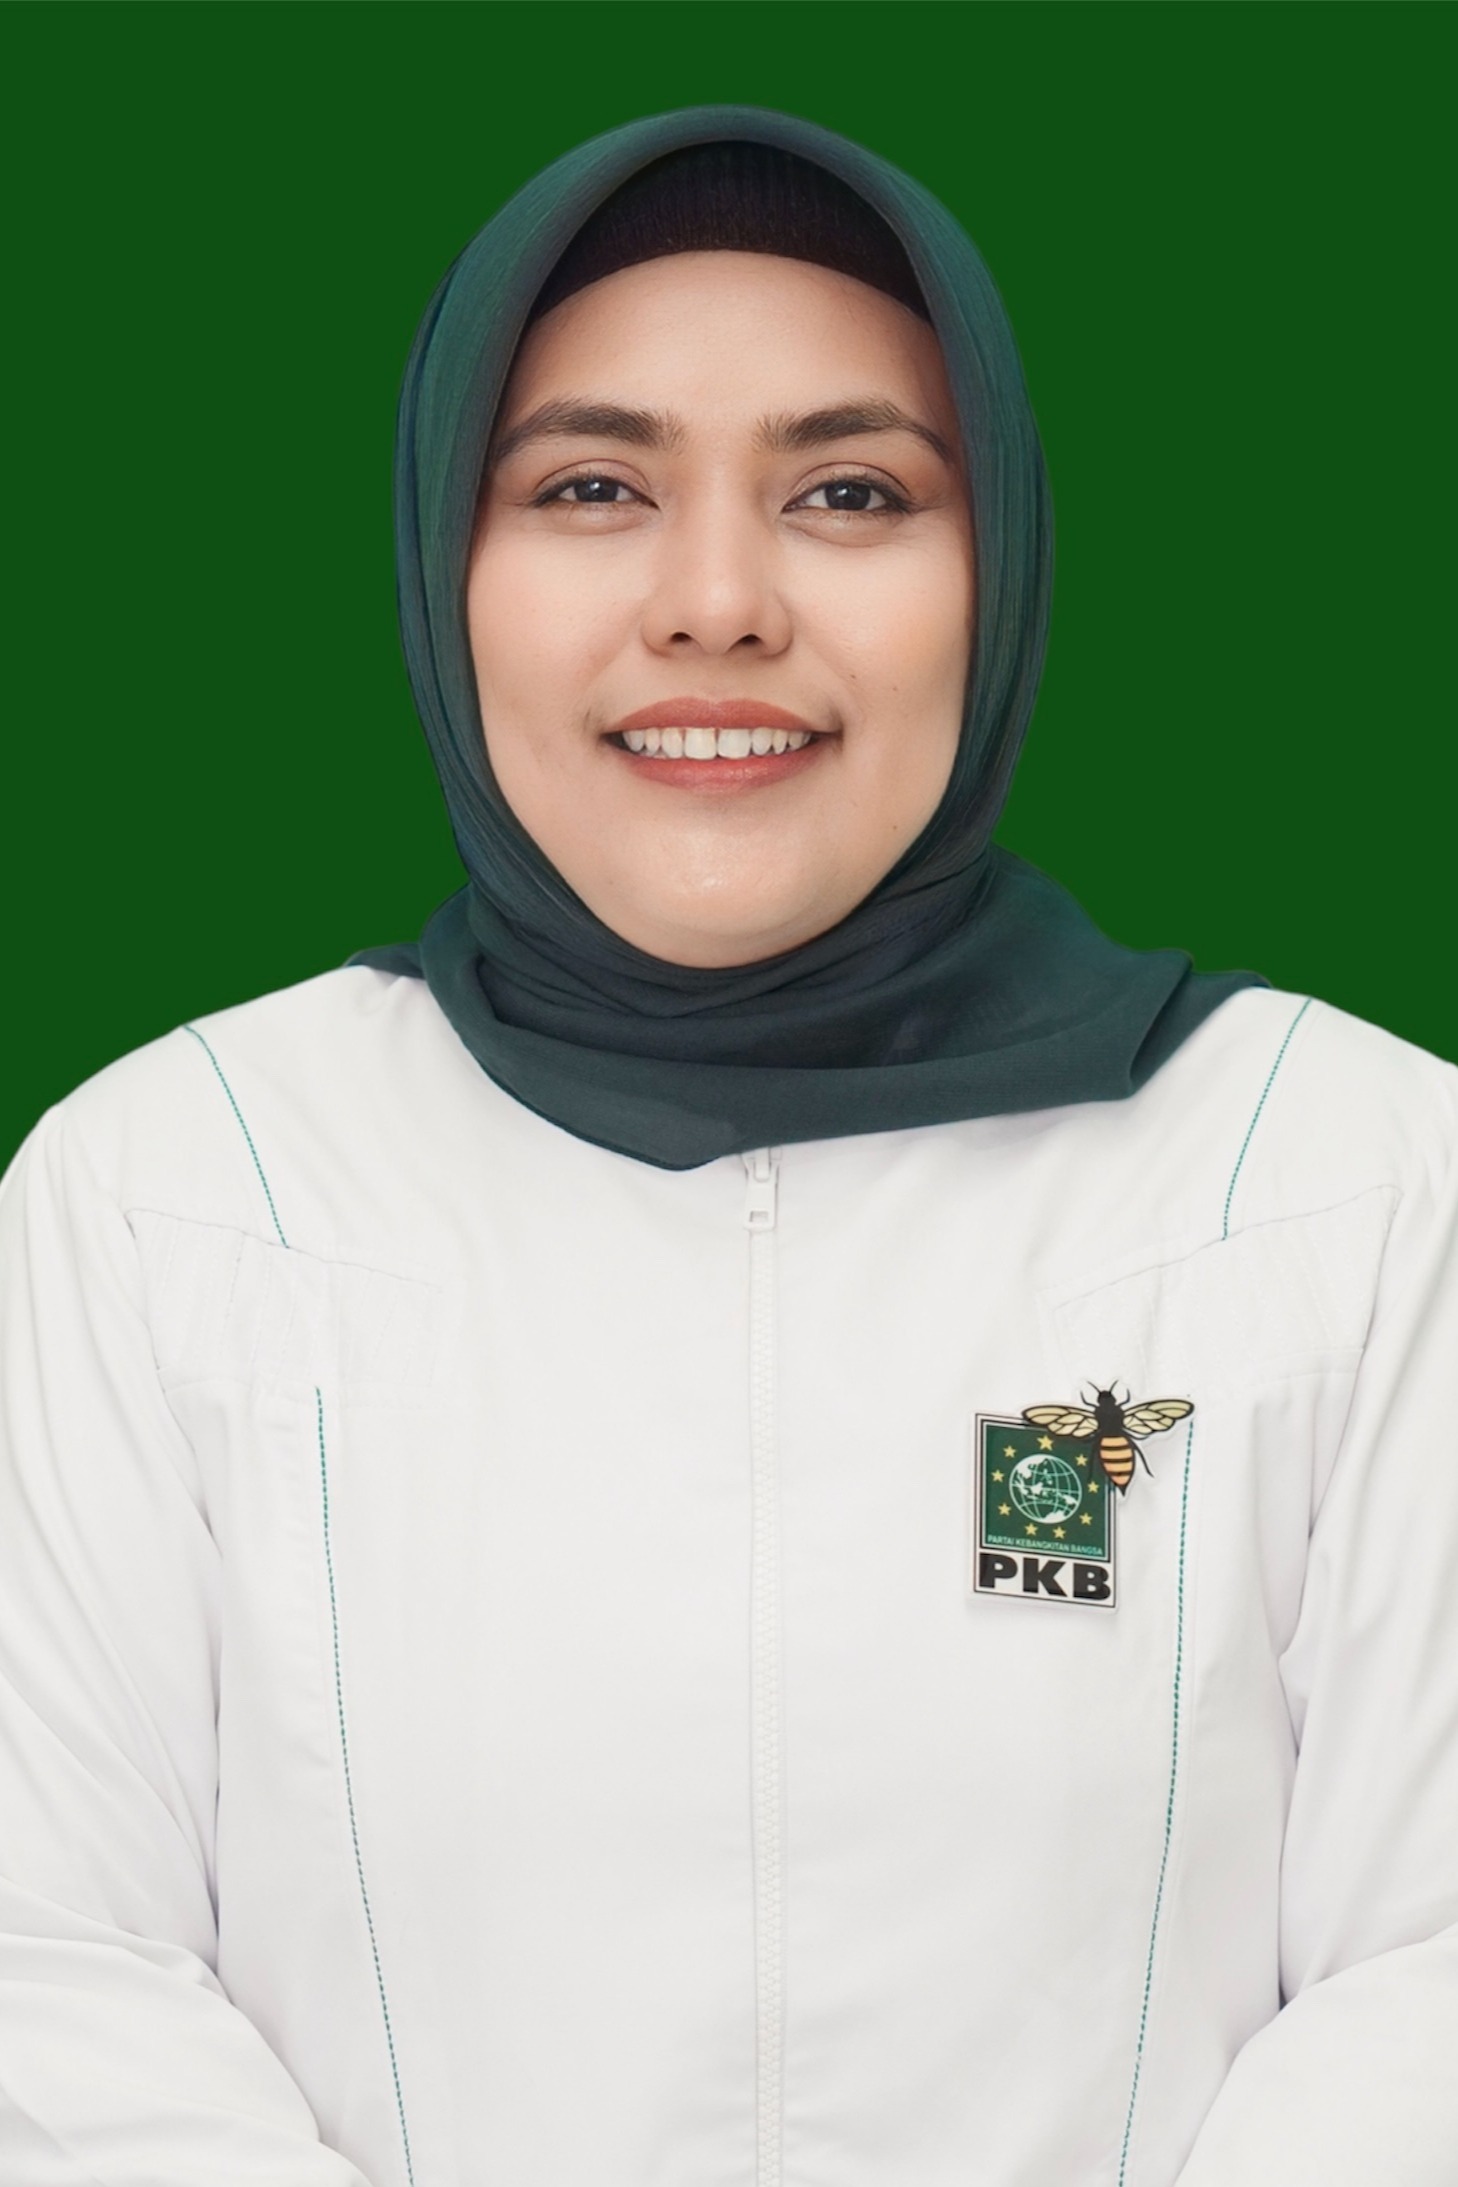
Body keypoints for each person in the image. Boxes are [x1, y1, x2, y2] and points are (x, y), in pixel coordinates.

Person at [0, 104, 1454, 2187]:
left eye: (850, 491)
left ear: (1000, 572)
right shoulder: (175, 1192)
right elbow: (49, 1957)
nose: (713, 604)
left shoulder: (1341, 1180)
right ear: (445, 568)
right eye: (590, 486)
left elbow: (1427, 1977)